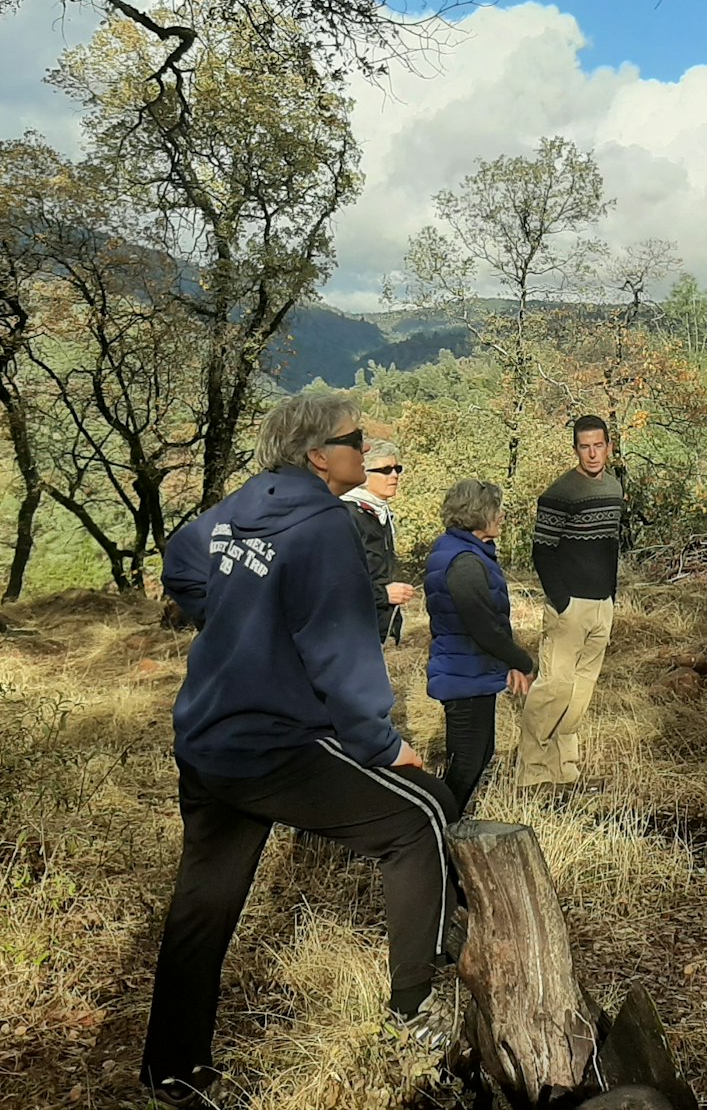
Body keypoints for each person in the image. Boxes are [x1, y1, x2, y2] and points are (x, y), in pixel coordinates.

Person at [141, 394, 459, 1106]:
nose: (366, 447)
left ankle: (171, 1067)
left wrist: (231, 622)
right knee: (420, 819)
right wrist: (383, 744)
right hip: (272, 745)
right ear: (319, 455)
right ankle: (413, 1018)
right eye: (356, 439)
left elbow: (183, 560)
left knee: (204, 904)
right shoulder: (324, 526)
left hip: (205, 740)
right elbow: (342, 648)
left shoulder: (240, 506)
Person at [515, 415, 625, 790]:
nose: (592, 453)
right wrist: (561, 600)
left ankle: (565, 769)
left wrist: (610, 595)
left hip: (601, 605)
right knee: (554, 688)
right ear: (575, 449)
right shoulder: (559, 493)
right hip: (570, 606)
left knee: (581, 693)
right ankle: (532, 771)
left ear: (609, 446)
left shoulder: (613, 488)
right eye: (584, 446)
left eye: (598, 445)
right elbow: (542, 550)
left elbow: (610, 544)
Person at [422, 481, 534, 816]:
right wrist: (522, 660)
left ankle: (444, 828)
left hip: (472, 672)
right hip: (463, 676)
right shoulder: (465, 563)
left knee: (479, 755)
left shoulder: (465, 553)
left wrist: (507, 662)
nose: (501, 515)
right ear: (477, 515)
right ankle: (431, 832)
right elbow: (483, 626)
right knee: (466, 763)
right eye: (495, 509)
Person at [342, 439, 415, 643]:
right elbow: (336, 583)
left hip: (378, 631)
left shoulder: (379, 513)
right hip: (354, 635)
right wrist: (383, 595)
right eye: (385, 470)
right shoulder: (345, 515)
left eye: (397, 468)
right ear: (363, 474)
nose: (394, 476)